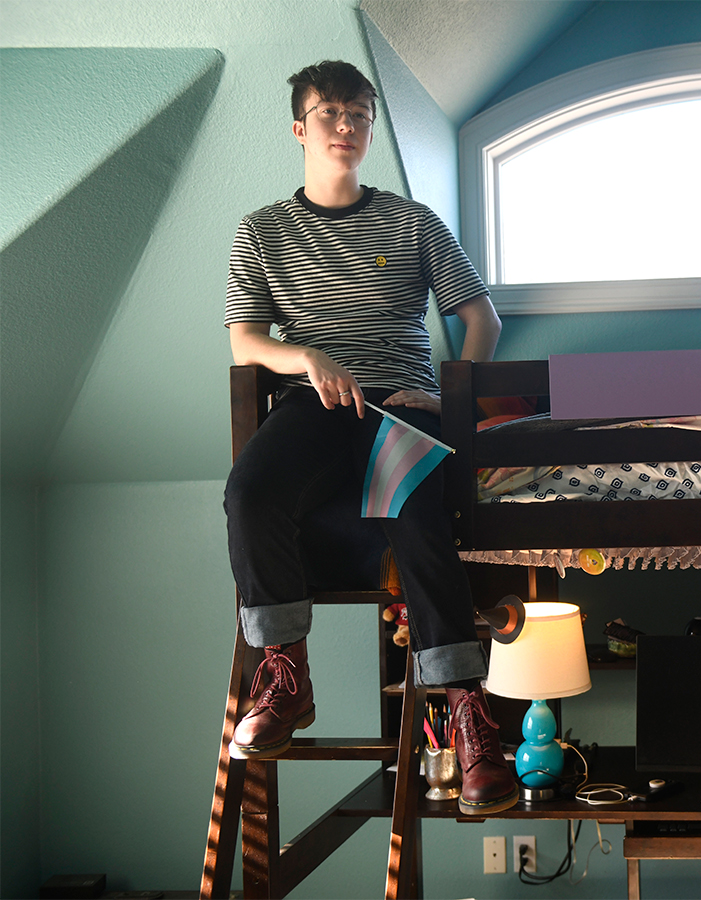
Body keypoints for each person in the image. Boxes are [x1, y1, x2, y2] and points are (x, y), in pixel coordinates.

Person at [222, 60, 517, 815]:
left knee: (414, 508)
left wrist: (452, 396)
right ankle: (286, 671)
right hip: (313, 405)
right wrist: (309, 358)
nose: (346, 127)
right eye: (330, 114)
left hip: (403, 406)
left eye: (359, 114)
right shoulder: (261, 230)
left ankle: (465, 711)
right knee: (250, 491)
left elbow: (482, 320)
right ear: (300, 129)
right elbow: (246, 342)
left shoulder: (413, 222)